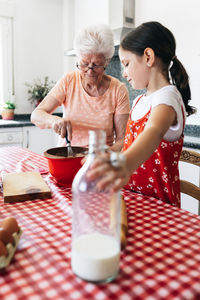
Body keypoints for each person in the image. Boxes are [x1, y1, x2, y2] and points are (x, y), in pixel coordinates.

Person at [87, 21, 196, 207]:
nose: (124, 73)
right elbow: (130, 144)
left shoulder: (168, 97)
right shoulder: (139, 101)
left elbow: (154, 131)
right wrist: (110, 155)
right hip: (132, 199)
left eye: (126, 63)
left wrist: (125, 163)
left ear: (148, 56)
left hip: (160, 207)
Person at [31, 24, 130, 151]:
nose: (90, 71)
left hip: (99, 161)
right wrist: (54, 121)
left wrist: (101, 157)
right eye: (84, 64)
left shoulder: (118, 90)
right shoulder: (69, 81)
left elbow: (123, 140)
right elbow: (36, 115)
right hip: (66, 157)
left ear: (107, 61)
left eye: (97, 65)